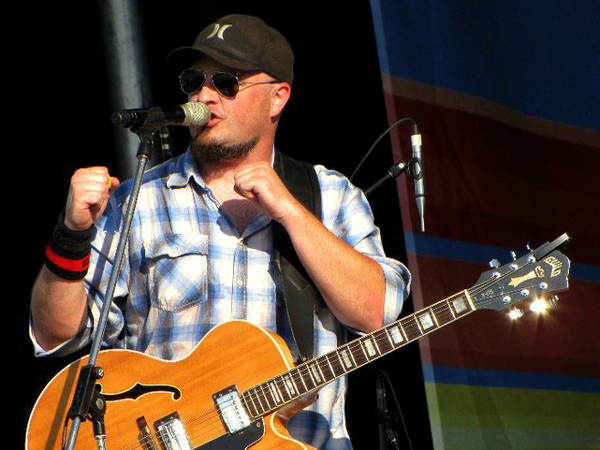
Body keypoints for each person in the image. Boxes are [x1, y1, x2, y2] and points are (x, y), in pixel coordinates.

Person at [30, 14, 411, 450]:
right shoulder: (140, 199)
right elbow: (56, 334)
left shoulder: (331, 196)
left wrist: (289, 210)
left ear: (277, 98)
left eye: (227, 82)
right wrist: (70, 235)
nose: (205, 95)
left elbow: (376, 313)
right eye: (195, 80)